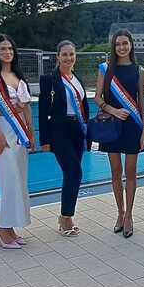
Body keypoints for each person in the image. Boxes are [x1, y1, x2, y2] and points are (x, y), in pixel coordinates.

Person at [0, 35, 35, 249]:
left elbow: (27, 106)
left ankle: (9, 228)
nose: (7, 52)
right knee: (7, 179)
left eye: (10, 48)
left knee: (18, 179)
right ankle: (2, 230)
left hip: (19, 132)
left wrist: (31, 132)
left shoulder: (17, 75)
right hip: (1, 130)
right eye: (3, 49)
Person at [94, 29, 144, 238]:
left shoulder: (139, 71)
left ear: (131, 45)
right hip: (111, 126)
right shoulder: (105, 69)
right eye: (118, 44)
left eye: (125, 43)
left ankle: (129, 216)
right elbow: (97, 98)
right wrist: (113, 110)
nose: (122, 47)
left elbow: (142, 101)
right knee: (116, 172)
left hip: (133, 126)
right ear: (114, 47)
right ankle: (120, 212)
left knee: (131, 173)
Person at [39, 40, 90, 237]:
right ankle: (66, 217)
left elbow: (84, 107)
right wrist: (45, 140)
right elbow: (43, 112)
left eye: (71, 54)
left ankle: (66, 215)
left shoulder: (77, 79)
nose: (68, 58)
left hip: (78, 130)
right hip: (59, 131)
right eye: (65, 54)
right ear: (58, 56)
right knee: (74, 172)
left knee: (73, 174)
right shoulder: (49, 80)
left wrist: (88, 134)